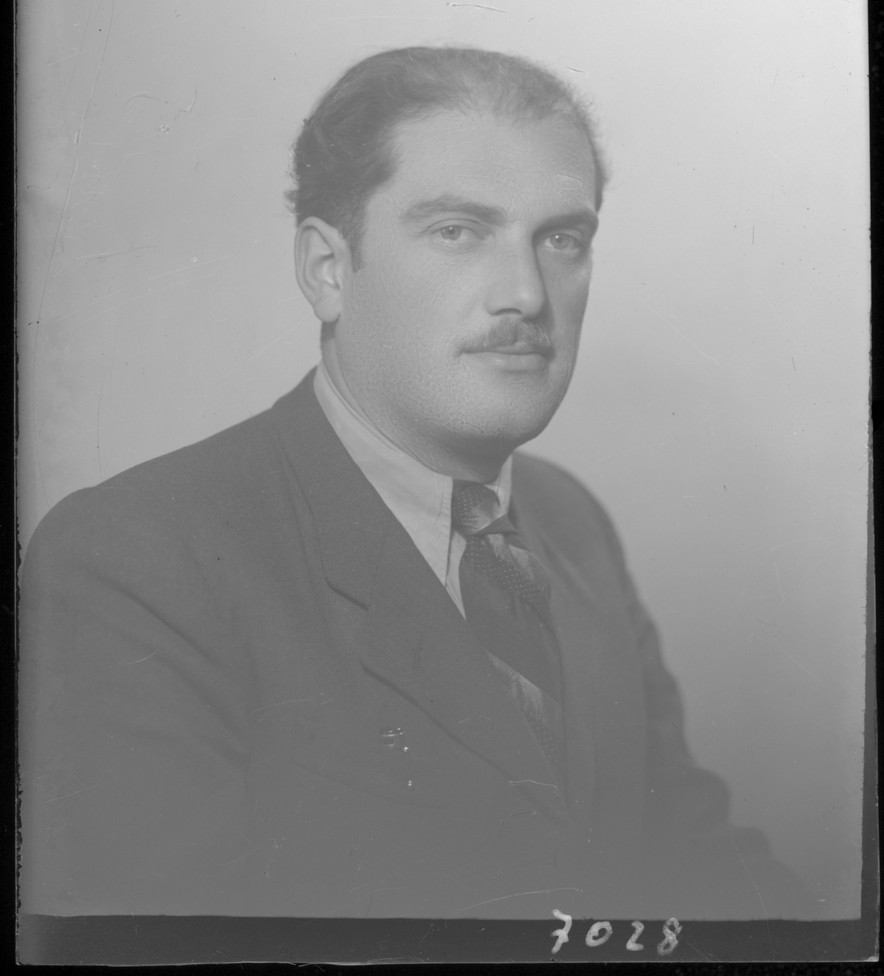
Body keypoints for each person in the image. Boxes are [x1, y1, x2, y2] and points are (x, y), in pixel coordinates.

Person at [18, 46, 810, 921]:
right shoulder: (136, 561)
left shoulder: (573, 522)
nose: (525, 295)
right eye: (456, 231)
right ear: (327, 270)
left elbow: (696, 866)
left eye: (562, 239)